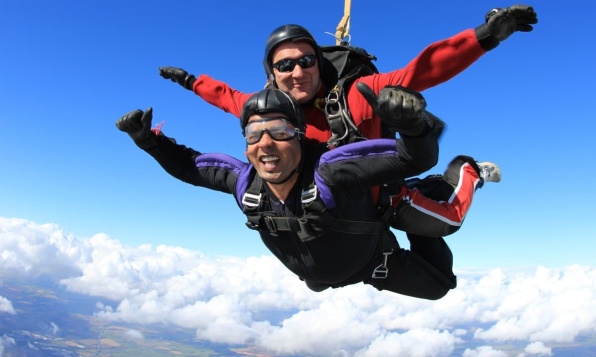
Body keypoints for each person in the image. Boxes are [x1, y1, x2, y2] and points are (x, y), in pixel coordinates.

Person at [116, 87, 501, 299]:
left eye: (280, 131)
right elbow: (189, 167)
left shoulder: (333, 172)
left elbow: (410, 158)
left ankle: (463, 171)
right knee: (320, 281)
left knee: (440, 281)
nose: (266, 143)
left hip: (373, 262)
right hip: (327, 272)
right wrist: (147, 141)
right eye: (254, 134)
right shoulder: (244, 182)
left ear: (299, 136)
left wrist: (415, 128)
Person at [159, 4, 537, 145]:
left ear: (319, 64)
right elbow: (227, 98)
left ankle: (469, 174)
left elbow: (419, 74)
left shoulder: (353, 95)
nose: (297, 72)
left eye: (306, 61)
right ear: (272, 75)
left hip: (372, 201)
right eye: (284, 65)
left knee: (438, 256)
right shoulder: (269, 108)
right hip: (321, 211)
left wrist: (484, 37)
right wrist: (191, 81)